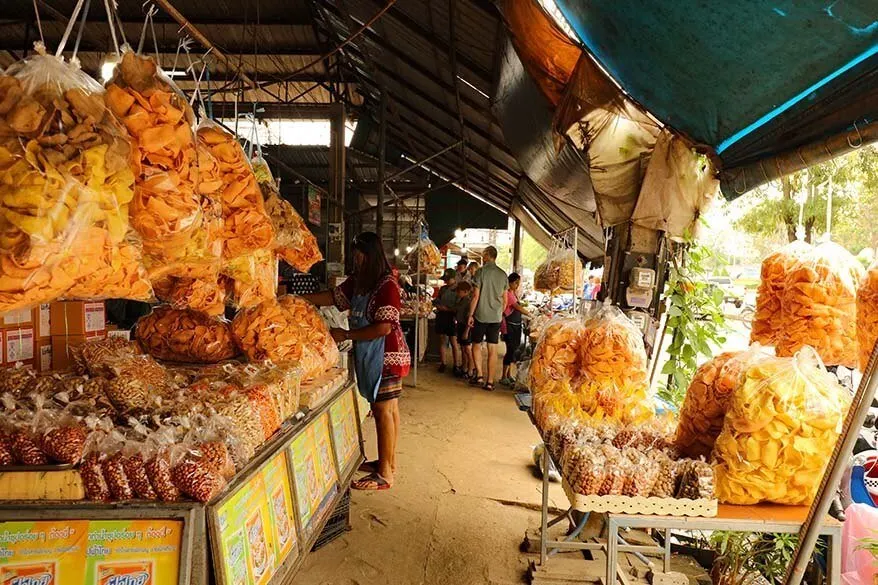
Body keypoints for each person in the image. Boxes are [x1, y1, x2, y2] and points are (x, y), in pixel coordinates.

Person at [303, 232, 409, 491]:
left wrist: (346, 334)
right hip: (371, 352)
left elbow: (384, 327)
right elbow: (333, 297)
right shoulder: (361, 281)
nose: (356, 259)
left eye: (359, 254)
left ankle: (384, 475)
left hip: (385, 354)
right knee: (389, 409)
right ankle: (387, 462)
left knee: (384, 411)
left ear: (370, 255)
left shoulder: (386, 285)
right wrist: (300, 300)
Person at [467, 246, 507, 391]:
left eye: (483, 255)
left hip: (481, 316)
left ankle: (479, 375)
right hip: (495, 317)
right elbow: (505, 300)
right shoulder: (503, 275)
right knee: (493, 348)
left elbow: (476, 296)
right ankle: (490, 382)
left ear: (487, 256)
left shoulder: (480, 272)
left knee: (476, 345)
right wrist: (499, 313)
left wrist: (470, 314)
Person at [500, 273, 530, 386]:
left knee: (512, 350)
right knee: (510, 350)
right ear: (510, 282)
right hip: (509, 325)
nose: (517, 285)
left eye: (518, 283)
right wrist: (530, 314)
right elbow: (517, 307)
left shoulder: (513, 293)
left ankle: (508, 375)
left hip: (516, 324)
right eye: (515, 283)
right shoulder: (507, 293)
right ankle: (503, 376)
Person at [434, 269, 461, 374]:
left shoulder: (458, 290)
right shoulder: (443, 289)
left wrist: (448, 309)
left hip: (452, 317)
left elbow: (459, 306)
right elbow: (437, 299)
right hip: (441, 316)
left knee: (453, 341)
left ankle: (456, 364)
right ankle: (443, 363)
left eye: (447, 279)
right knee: (442, 340)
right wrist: (436, 304)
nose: (446, 281)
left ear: (454, 279)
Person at [454, 280, 474, 378]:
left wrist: (466, 331)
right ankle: (464, 367)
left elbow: (469, 320)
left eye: (459, 291)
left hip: (466, 327)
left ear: (466, 291)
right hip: (461, 325)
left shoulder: (469, 302)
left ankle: (470, 369)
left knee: (467, 349)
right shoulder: (461, 300)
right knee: (463, 348)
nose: (458, 293)